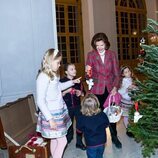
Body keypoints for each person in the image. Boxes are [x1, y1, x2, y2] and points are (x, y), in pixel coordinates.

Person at [36, 48, 81, 158]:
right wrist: (50, 119)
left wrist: (72, 82)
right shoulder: (43, 77)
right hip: (51, 114)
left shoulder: (53, 75)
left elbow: (58, 87)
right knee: (62, 141)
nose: (60, 65)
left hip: (58, 111)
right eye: (58, 62)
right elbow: (40, 101)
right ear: (50, 61)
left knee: (55, 140)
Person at [85, 32, 122, 148]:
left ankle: (114, 137)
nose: (99, 48)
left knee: (111, 114)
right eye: (97, 45)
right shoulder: (91, 55)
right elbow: (88, 76)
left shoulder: (112, 54)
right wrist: (87, 72)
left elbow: (117, 74)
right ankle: (99, 140)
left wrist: (115, 87)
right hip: (97, 89)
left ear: (106, 44)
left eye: (101, 45)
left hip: (110, 89)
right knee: (98, 115)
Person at [60, 63, 86, 150]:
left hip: (78, 106)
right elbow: (58, 95)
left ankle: (79, 142)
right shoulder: (62, 81)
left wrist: (80, 93)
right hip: (67, 107)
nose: (74, 70)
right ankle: (68, 138)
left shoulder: (78, 81)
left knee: (80, 124)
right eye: (72, 69)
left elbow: (83, 92)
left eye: (74, 69)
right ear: (66, 72)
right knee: (68, 124)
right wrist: (65, 91)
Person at [76, 93, 109, 158]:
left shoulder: (81, 118)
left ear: (83, 105)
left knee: (91, 156)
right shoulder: (102, 114)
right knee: (100, 155)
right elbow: (107, 124)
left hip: (90, 143)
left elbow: (79, 131)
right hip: (102, 141)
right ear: (97, 104)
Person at [118, 65, 137, 137]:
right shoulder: (123, 81)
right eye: (126, 72)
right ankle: (128, 129)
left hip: (132, 101)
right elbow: (120, 91)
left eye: (128, 71)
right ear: (123, 74)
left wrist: (135, 88)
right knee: (126, 116)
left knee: (132, 115)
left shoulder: (132, 79)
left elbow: (136, 89)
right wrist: (127, 87)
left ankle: (133, 127)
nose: (128, 73)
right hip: (125, 102)